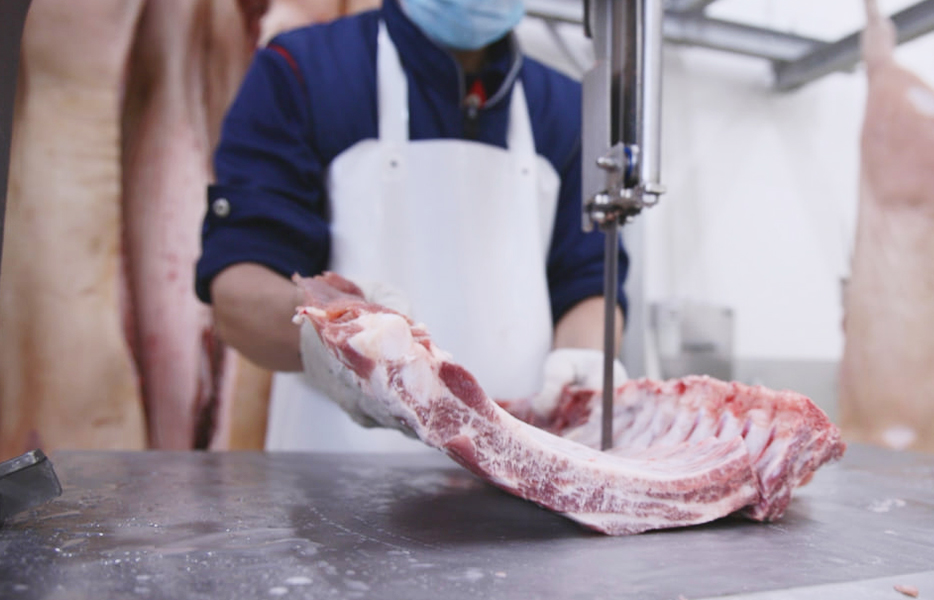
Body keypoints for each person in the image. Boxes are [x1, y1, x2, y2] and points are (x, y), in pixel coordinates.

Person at [195, 0, 628, 451]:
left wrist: (583, 359)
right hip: (332, 471)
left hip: (514, 471)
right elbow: (238, 294)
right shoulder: (303, 71)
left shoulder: (566, 107)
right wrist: (337, 339)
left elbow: (588, 282)